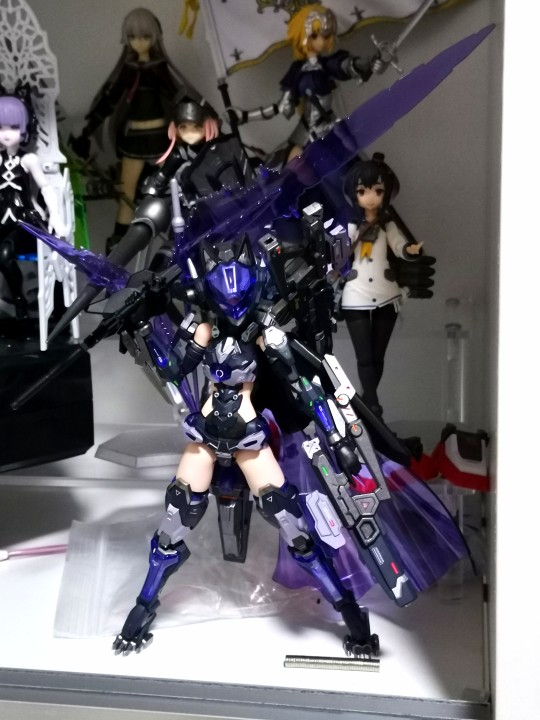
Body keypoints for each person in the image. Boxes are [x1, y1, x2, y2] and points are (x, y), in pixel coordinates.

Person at [69, 8, 199, 250]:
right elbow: (110, 100)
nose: (139, 42)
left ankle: (186, 230)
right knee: (125, 192)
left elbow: (176, 96)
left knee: (176, 185)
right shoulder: (128, 70)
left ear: (154, 37)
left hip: (161, 138)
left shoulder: (159, 68)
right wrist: (88, 130)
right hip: (135, 139)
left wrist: (199, 117)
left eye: (145, 37)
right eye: (133, 37)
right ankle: (119, 242)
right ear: (127, 39)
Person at [227, 4, 387, 163]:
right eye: (316, 35)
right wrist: (245, 116)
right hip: (303, 132)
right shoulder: (297, 71)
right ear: (304, 35)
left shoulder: (326, 65)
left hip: (327, 128)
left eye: (326, 35)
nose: (322, 41)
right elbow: (282, 107)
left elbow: (345, 65)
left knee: (346, 166)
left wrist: (370, 62)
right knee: (278, 166)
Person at [341, 153, 423, 418]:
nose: (370, 197)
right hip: (356, 295)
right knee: (364, 357)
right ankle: (372, 405)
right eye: (362, 191)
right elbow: (339, 252)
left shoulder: (388, 225)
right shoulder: (351, 225)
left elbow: (399, 246)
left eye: (377, 191)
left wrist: (410, 251)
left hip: (386, 295)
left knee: (377, 356)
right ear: (354, 194)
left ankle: (368, 403)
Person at [0, 92, 65, 319]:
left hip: (23, 219)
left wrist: (54, 214)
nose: (6, 133)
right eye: (1, 127)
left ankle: (20, 301)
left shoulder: (29, 160)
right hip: (2, 217)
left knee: (5, 254)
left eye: (12, 127)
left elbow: (46, 188)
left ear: (23, 128)